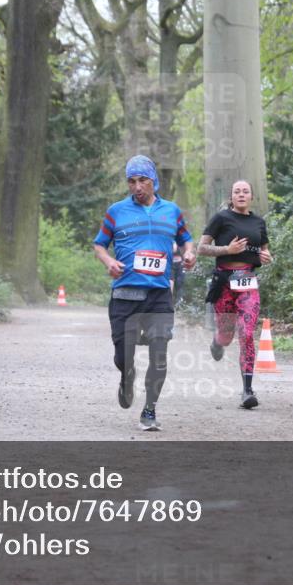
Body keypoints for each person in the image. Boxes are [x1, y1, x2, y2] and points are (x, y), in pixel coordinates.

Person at [93, 155, 196, 431]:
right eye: (131, 181)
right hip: (125, 294)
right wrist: (109, 261)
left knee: (159, 353)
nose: (137, 186)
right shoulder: (116, 211)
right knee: (122, 358)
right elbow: (100, 245)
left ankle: (149, 410)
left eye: (143, 181)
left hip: (159, 295)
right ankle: (127, 377)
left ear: (154, 181)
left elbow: (187, 240)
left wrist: (189, 254)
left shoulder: (172, 211)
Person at [198, 180, 272, 409]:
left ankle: (247, 390)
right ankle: (218, 342)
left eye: (245, 191)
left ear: (251, 196)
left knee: (247, 332)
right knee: (227, 336)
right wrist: (226, 250)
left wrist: (265, 256)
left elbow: (265, 249)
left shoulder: (259, 222)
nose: (241, 194)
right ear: (232, 197)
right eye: (237, 191)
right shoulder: (221, 218)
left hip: (248, 282)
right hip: (225, 283)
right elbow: (201, 248)